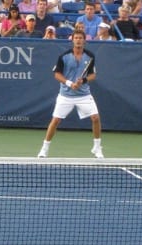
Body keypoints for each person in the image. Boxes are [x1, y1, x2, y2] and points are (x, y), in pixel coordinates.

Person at [38, 29, 103, 159]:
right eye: (76, 38)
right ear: (72, 40)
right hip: (66, 95)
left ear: (84, 41)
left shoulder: (90, 56)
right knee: (55, 120)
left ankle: (97, 147)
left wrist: (83, 80)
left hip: (84, 95)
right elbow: (57, 74)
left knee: (95, 118)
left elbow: (93, 75)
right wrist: (69, 83)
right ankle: (44, 149)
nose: (78, 40)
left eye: (80, 38)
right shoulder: (64, 56)